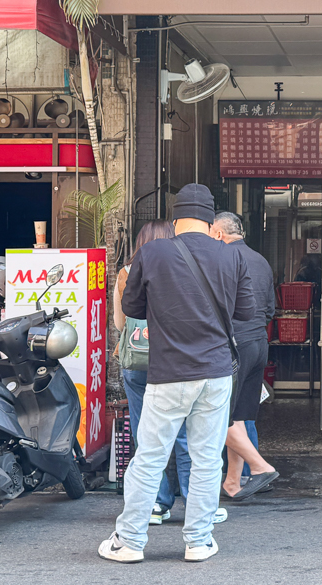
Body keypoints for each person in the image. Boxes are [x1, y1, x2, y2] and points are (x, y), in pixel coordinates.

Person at [99, 184, 254, 564]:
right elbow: (247, 312)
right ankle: (198, 541)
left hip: (168, 372)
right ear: (211, 221)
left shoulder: (153, 252)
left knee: (149, 457)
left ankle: (130, 542)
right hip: (215, 373)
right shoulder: (232, 255)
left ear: (175, 218)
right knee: (207, 459)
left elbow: (132, 308)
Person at [115, 221, 226, 527]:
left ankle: (156, 504)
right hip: (175, 359)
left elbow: (120, 322)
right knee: (187, 434)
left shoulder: (126, 271)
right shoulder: (183, 266)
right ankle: (194, 504)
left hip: (136, 361)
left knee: (146, 437)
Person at [210, 212, 279, 499]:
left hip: (234, 345)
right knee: (237, 417)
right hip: (259, 342)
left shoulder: (222, 259)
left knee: (216, 415)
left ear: (218, 234)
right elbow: (270, 308)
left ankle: (260, 466)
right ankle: (232, 482)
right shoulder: (261, 260)